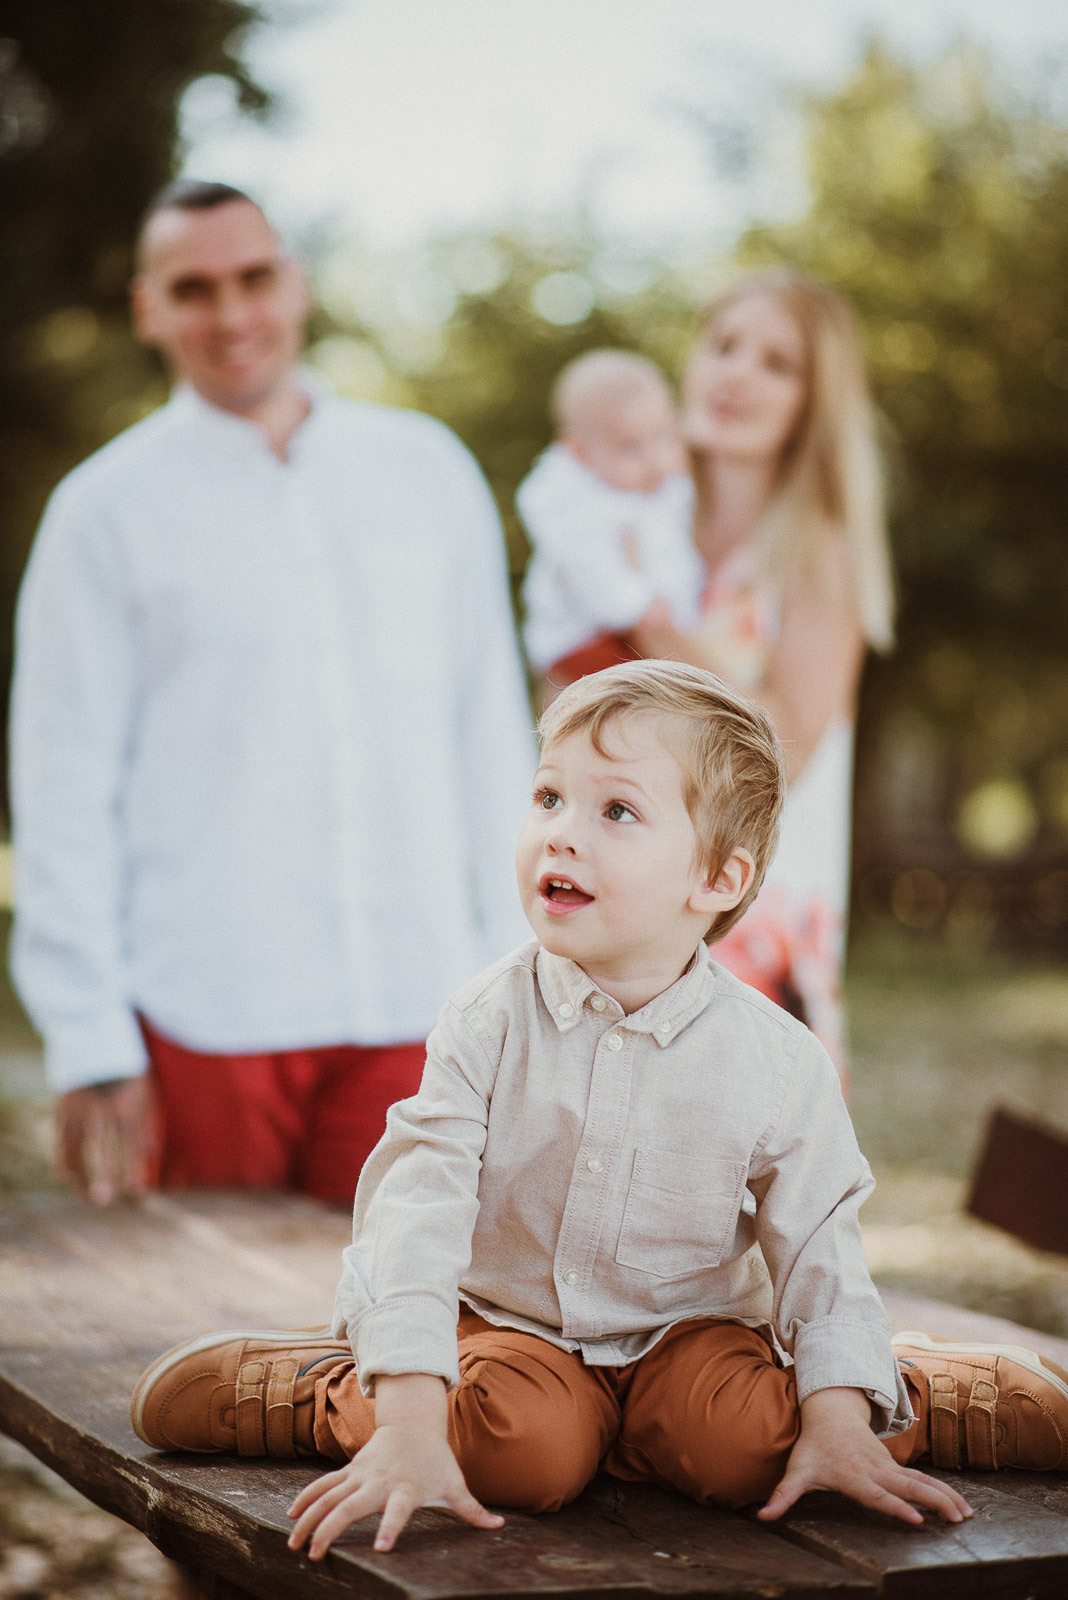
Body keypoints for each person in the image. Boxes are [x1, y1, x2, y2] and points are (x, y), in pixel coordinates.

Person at [129, 661, 1068, 1561]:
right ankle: (329, 1395)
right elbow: (416, 1214)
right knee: (520, 1456)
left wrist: (828, 1416)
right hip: (510, 1328)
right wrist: (416, 1418)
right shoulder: (486, 1020)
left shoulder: (776, 1059)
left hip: (689, 1337)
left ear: (719, 881)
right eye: (549, 798)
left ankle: (896, 1397)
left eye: (615, 809)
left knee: (748, 1452)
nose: (561, 833)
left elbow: (820, 1245)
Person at [9, 179, 535, 1207]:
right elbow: (61, 779)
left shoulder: (428, 473)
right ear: (149, 308)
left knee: (408, 1341)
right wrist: (89, 1036)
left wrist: (520, 978)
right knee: (214, 1356)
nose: (233, 314)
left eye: (254, 277)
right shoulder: (103, 511)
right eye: (194, 288)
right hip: (204, 1010)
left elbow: (492, 739)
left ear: (295, 284)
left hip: (421, 1004)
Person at [631, 270, 896, 1091]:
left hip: (746, 920)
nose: (736, 373)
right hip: (617, 904)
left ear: (812, 404)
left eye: (777, 364)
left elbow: (787, 749)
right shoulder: (636, 526)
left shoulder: (817, 552)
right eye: (723, 346)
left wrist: (662, 637)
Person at [517, 349, 702, 697]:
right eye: (630, 447)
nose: (653, 458)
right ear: (580, 452)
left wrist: (679, 608)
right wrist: (634, 601)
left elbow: (672, 550)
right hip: (581, 638)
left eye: (662, 436)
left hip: (641, 635)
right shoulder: (573, 499)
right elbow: (585, 562)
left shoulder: (664, 487)